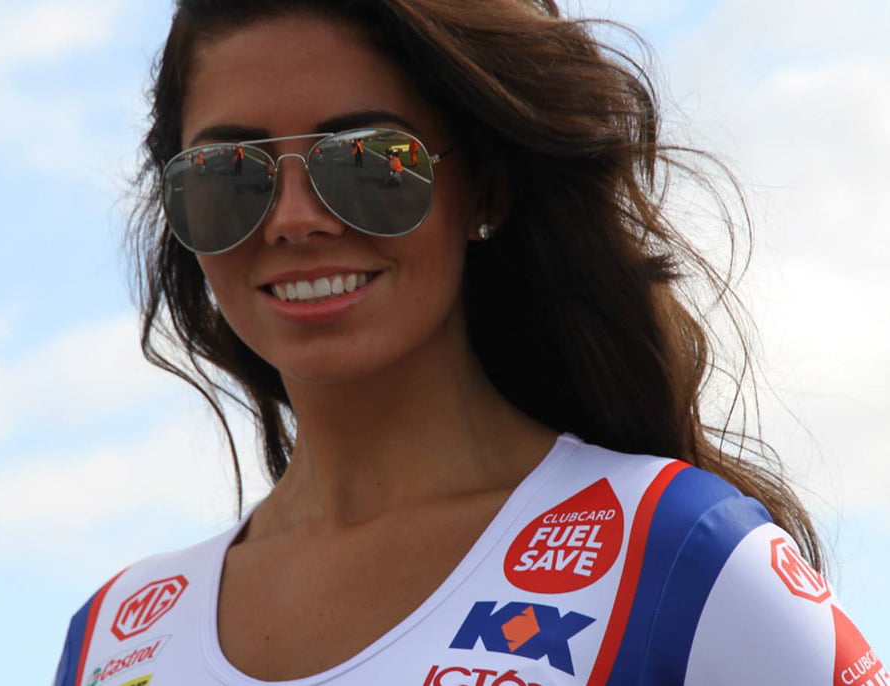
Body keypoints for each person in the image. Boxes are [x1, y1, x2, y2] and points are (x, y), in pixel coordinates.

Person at [53, 1, 884, 685]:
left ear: (482, 186)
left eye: (369, 162)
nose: (296, 219)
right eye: (231, 173)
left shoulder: (679, 560)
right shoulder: (115, 639)